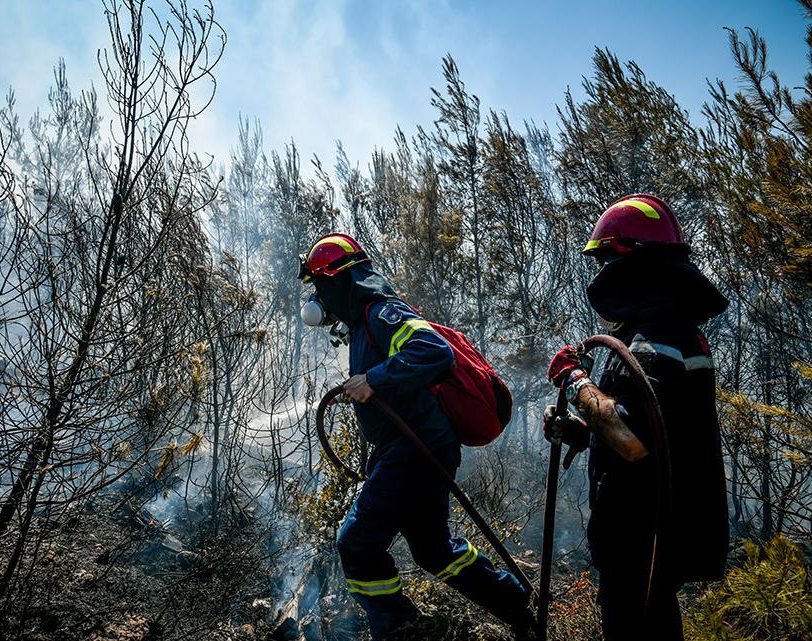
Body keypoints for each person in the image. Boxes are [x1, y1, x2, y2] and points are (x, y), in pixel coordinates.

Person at [298, 233, 534, 640]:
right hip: (417, 449)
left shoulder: (382, 311)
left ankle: (400, 630)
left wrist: (374, 379)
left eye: (319, 286)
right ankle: (516, 608)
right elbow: (398, 378)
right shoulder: (362, 324)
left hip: (415, 449)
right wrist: (368, 389)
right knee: (433, 551)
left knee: (356, 543)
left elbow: (433, 351)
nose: (317, 299)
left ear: (337, 282)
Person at [544, 194, 729, 641]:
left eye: (607, 260)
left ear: (632, 263)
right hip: (652, 530)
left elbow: (630, 438)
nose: (603, 274)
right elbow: (661, 430)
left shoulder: (657, 338)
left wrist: (572, 379)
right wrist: (579, 432)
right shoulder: (668, 332)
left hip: (639, 534)